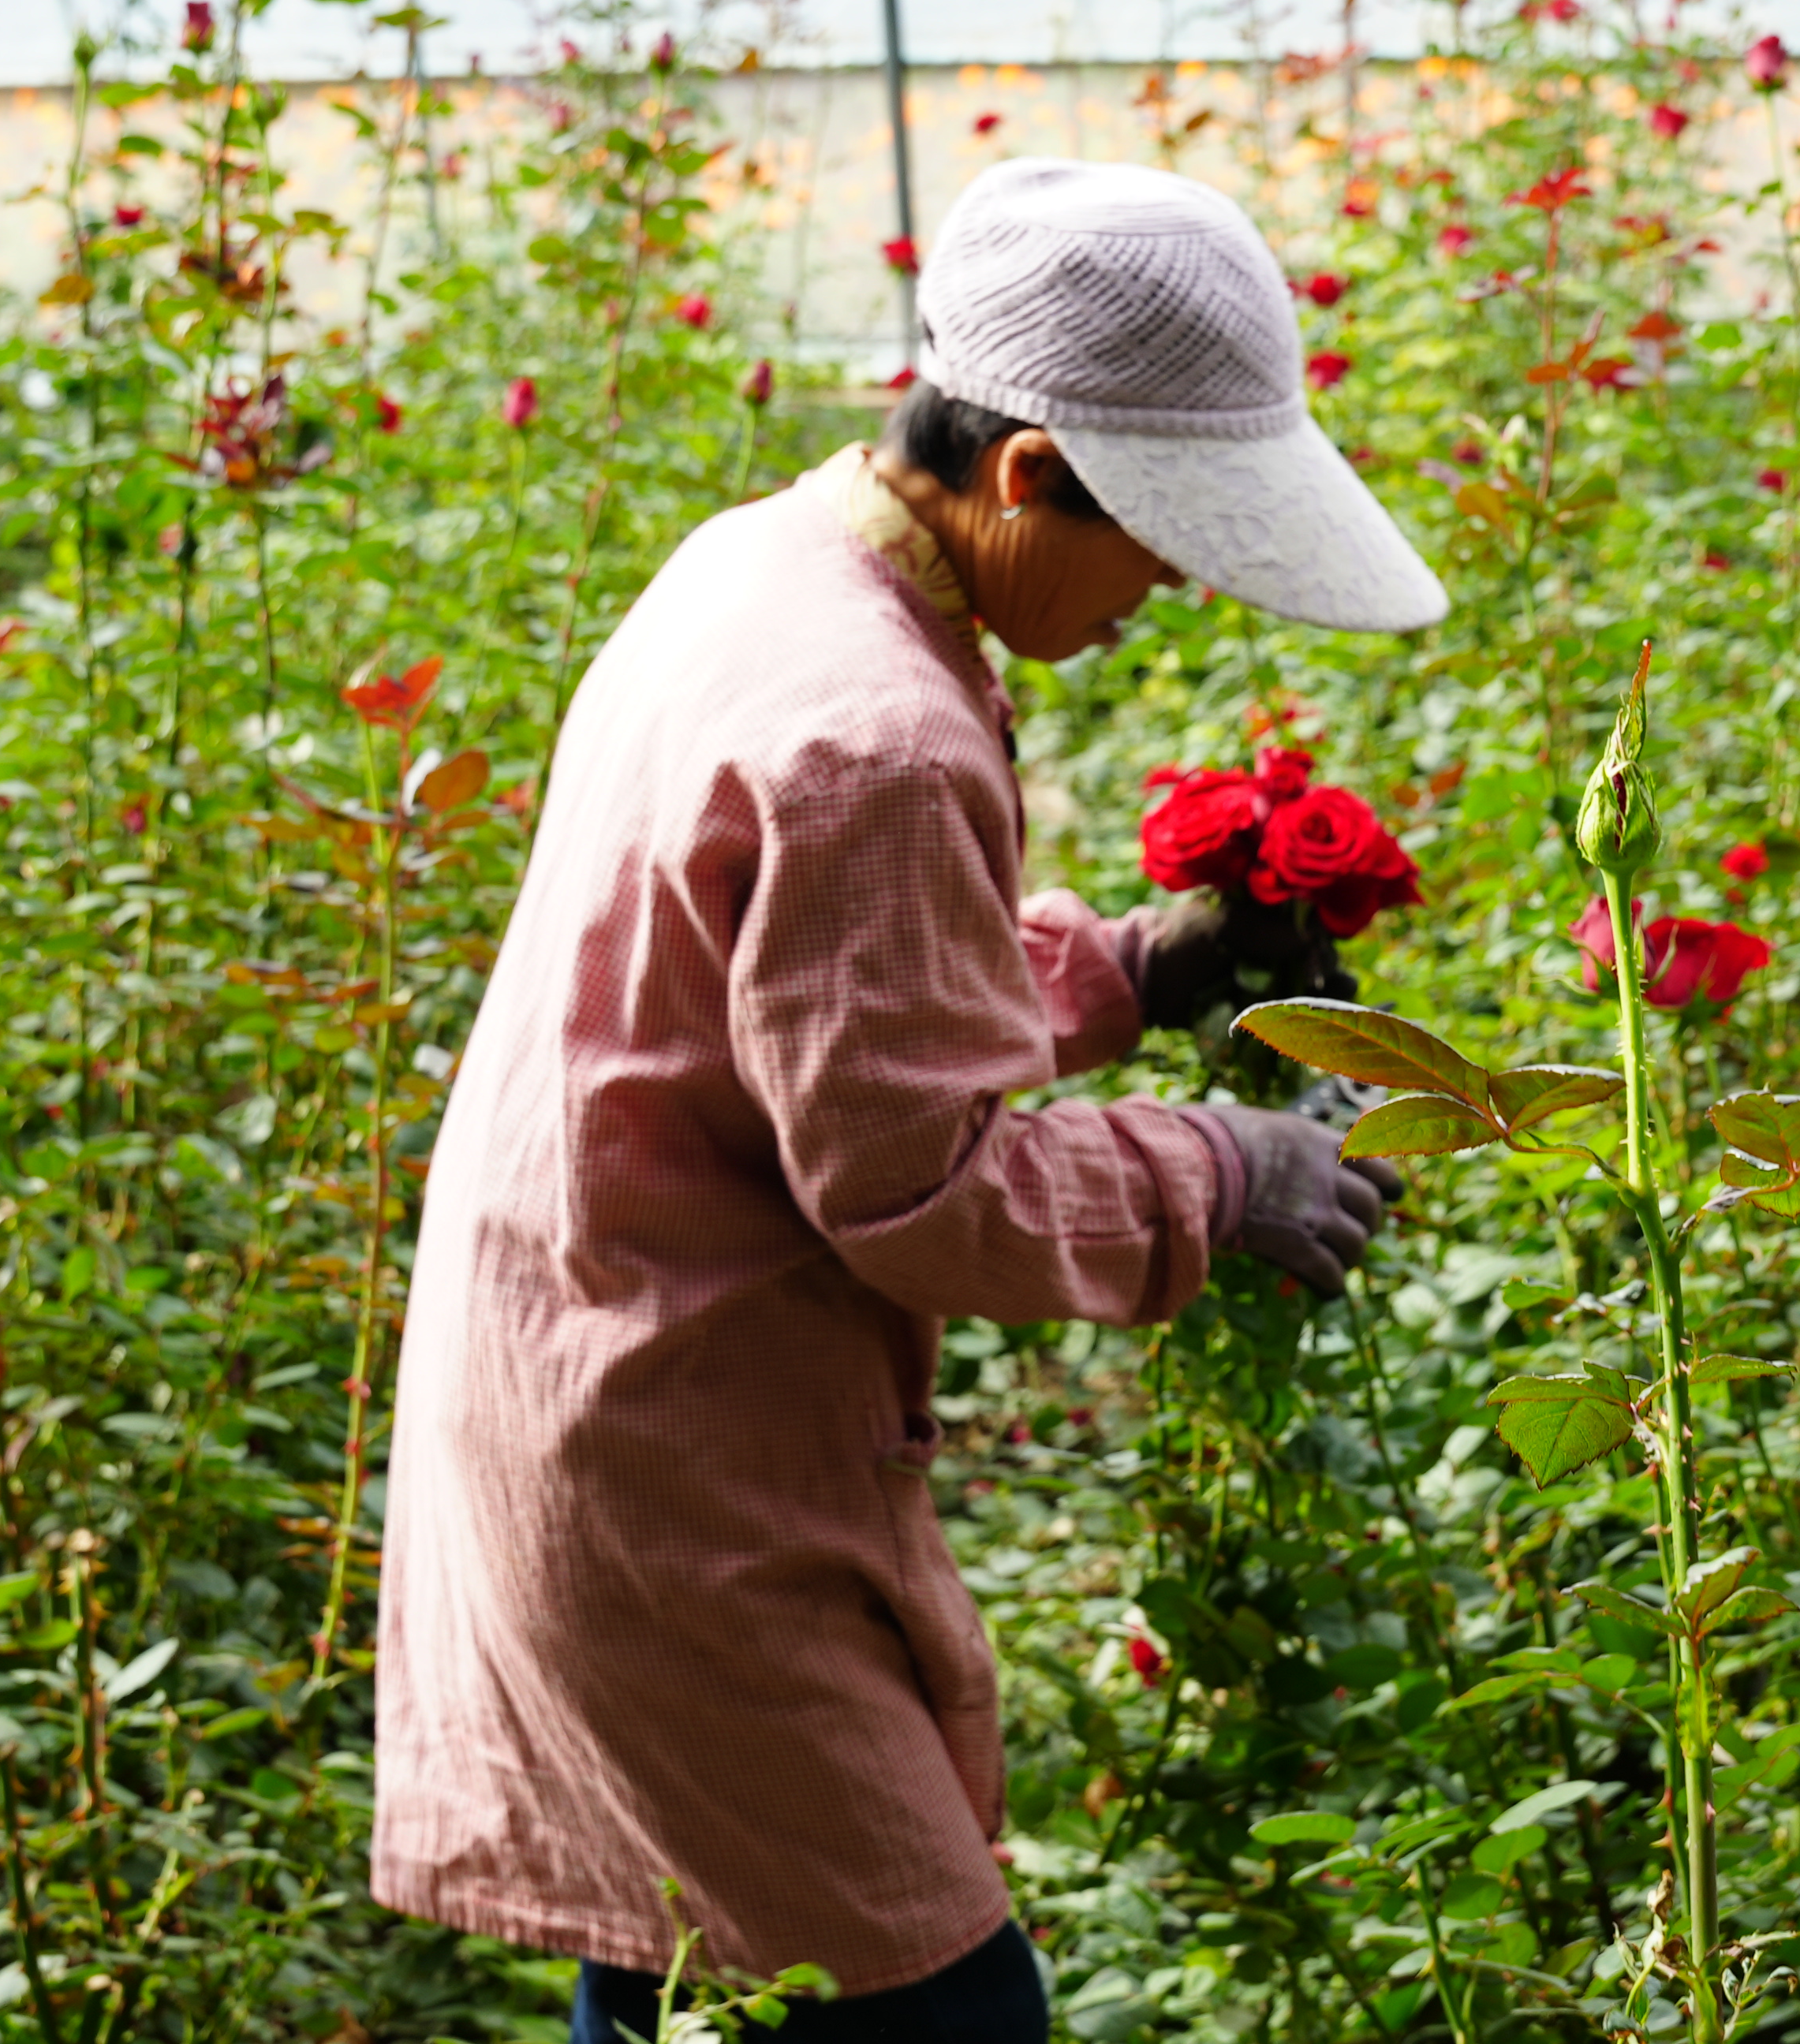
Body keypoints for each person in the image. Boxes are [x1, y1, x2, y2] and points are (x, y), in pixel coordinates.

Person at [371, 159, 1443, 2044]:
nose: (1177, 583)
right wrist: (1226, 1166)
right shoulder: (879, 729)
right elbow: (920, 1183)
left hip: (590, 1374)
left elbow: (805, 1008)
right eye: (1164, 534)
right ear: (1026, 475)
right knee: (925, 2002)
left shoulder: (769, 561)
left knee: (701, 1943)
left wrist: (1128, 966)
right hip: (669, 1453)